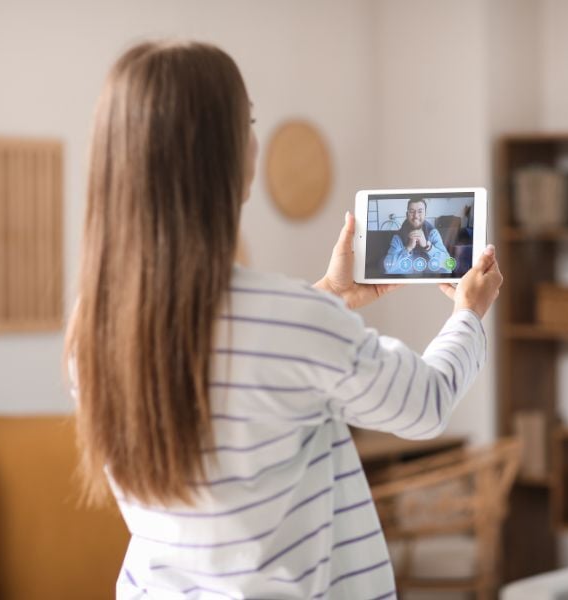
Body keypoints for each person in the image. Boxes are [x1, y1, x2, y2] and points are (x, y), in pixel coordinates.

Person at [66, 40, 503, 599]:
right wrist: (469, 311)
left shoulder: (93, 326)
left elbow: (233, 357)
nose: (254, 139)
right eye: (247, 121)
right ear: (222, 156)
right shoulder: (293, 323)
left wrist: (329, 299)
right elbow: (426, 403)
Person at [383, 198, 453, 275]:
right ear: (407, 215)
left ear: (425, 214)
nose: (416, 216)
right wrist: (408, 248)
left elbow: (448, 266)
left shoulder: (433, 233)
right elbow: (388, 268)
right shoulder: (398, 237)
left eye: (420, 211)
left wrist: (428, 247)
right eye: (412, 211)